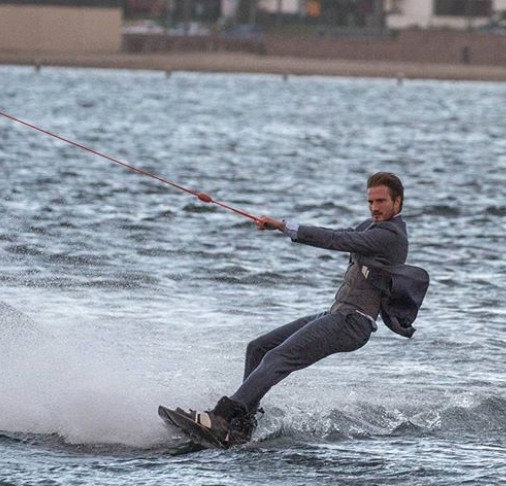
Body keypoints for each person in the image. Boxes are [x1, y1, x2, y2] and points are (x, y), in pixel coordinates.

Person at [178, 172, 429, 448]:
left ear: (398, 202)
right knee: (258, 348)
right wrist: (282, 228)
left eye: (381, 201)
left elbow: (337, 240)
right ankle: (241, 427)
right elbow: (343, 234)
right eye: (370, 201)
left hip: (353, 322)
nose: (374, 207)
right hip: (337, 314)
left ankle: (222, 418)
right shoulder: (371, 225)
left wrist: (284, 226)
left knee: (277, 358)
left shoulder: (391, 236)